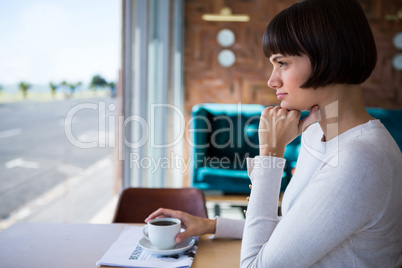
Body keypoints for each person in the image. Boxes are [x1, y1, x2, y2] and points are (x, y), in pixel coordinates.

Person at [146, 0, 402, 266]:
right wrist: (212, 225)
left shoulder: (362, 159)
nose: (272, 80)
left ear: (329, 56)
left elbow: (256, 265)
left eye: (282, 63)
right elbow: (298, 231)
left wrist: (270, 153)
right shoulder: (317, 134)